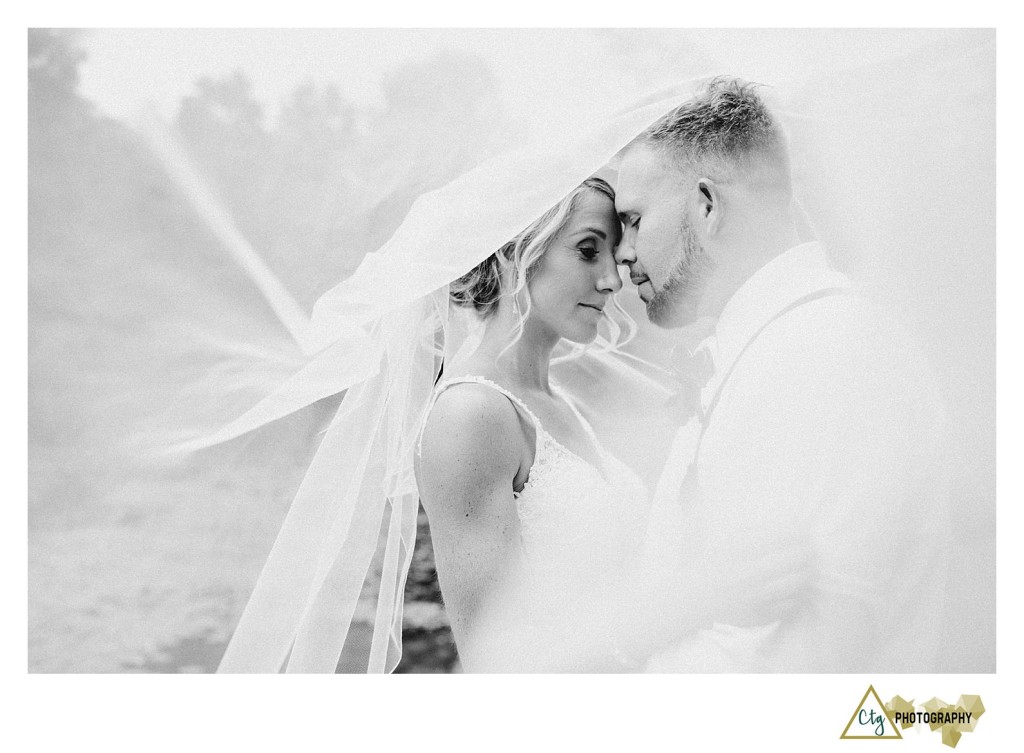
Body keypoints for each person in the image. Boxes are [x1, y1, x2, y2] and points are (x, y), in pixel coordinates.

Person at [613, 76, 952, 672]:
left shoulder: (826, 350)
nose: (622, 253)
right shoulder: (781, 343)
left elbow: (793, 655)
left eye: (634, 220)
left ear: (707, 205)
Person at [415, 176, 807, 672]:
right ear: (516, 253)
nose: (611, 280)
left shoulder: (558, 402)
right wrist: (698, 602)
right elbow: (498, 667)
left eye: (613, 255)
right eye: (587, 251)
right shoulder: (470, 416)